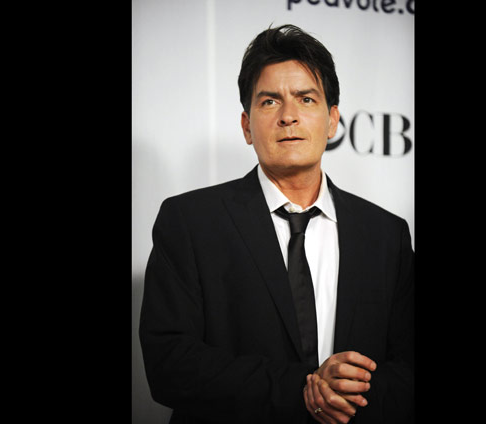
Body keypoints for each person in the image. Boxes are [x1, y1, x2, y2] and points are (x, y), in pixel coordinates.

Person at [139, 24, 414, 424]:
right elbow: (168, 364)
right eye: (270, 101)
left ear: (332, 121)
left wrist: (345, 396)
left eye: (306, 99)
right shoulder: (189, 222)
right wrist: (304, 390)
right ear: (247, 126)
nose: (288, 116)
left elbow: (407, 368)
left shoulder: (386, 234)